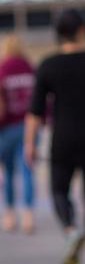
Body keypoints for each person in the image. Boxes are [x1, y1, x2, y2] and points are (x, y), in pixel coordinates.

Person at [24, 10, 85, 264]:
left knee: (59, 190)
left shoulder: (48, 65)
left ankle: (71, 230)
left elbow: (35, 112)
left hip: (63, 137)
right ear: (83, 30)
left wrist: (30, 144)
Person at [0, 35, 36, 233]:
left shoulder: (2, 69)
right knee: (27, 170)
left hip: (6, 127)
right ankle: (28, 215)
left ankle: (10, 214)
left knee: (9, 171)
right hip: (29, 126)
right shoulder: (30, 68)